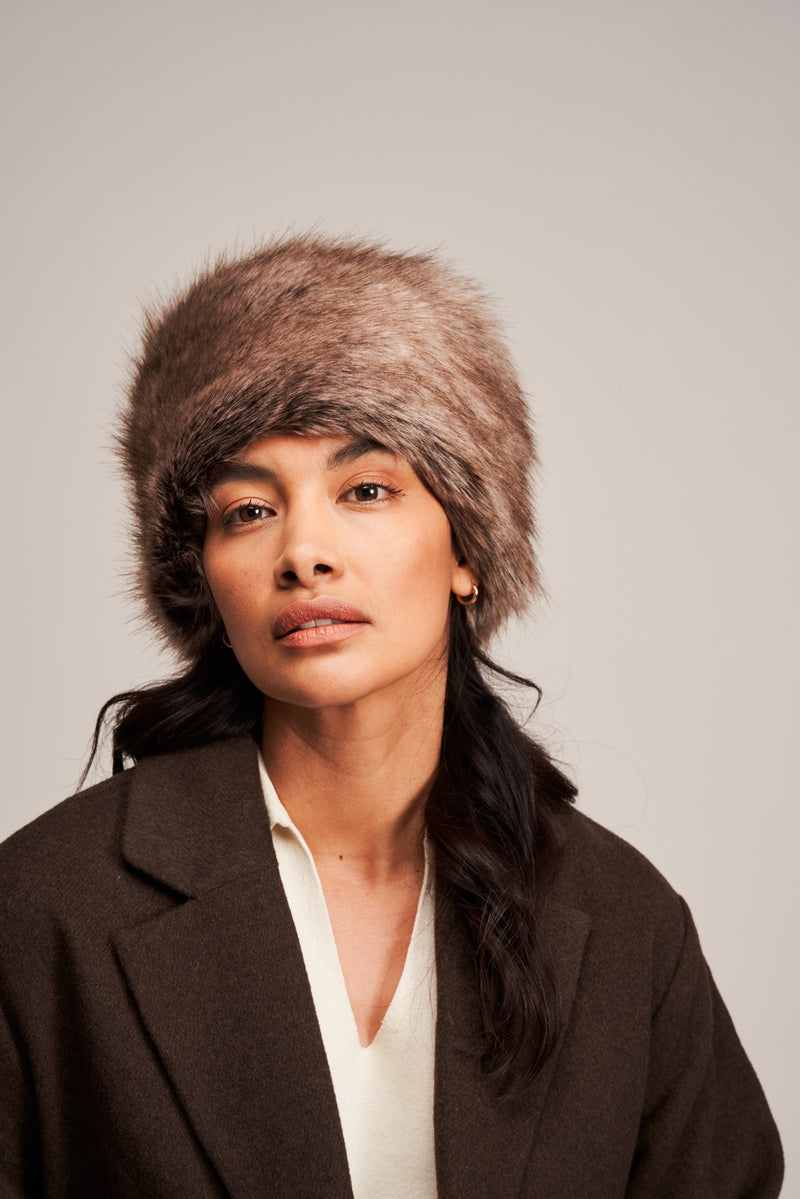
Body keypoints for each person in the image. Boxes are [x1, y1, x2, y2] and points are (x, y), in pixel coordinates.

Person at [0, 235, 783, 1198]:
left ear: (468, 550)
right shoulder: (44, 907)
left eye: (366, 489)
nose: (305, 552)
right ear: (205, 579)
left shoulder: (625, 923)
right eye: (247, 509)